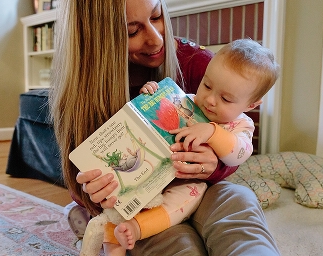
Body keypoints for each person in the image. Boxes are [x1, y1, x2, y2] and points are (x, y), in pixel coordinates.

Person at [49, 0, 280, 255]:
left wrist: (214, 164)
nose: (156, 39)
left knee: (237, 200)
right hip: (148, 202)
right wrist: (95, 191)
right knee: (169, 238)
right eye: (132, 31)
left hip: (202, 188)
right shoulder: (84, 91)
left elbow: (238, 149)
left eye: (157, 16)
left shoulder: (200, 63)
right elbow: (78, 171)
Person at [109, 39, 280, 253]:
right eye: (207, 85)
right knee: (123, 206)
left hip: (194, 186)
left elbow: (239, 153)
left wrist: (213, 132)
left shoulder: (241, 125)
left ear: (251, 105)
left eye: (226, 99)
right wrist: (152, 94)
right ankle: (115, 233)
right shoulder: (188, 102)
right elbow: (155, 114)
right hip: (153, 175)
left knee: (191, 197)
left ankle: (137, 228)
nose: (210, 100)